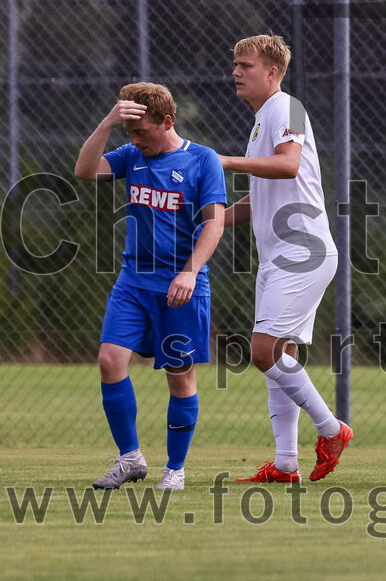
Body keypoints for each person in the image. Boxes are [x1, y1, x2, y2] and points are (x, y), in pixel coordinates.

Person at [74, 82, 227, 491]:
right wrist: (109, 122)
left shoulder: (203, 160)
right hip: (133, 281)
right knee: (110, 360)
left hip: (181, 286)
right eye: (130, 132)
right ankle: (130, 459)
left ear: (167, 122)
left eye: (141, 132)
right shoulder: (131, 155)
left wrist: (191, 271)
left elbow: (215, 222)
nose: (135, 140)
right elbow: (85, 171)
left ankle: (174, 470)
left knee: (180, 376)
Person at [220, 34, 351, 483]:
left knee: (263, 352)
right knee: (283, 354)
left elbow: (289, 164)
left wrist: (224, 161)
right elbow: (263, 196)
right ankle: (285, 464)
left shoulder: (285, 108)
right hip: (280, 255)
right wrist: (212, 218)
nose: (236, 71)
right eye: (235, 64)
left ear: (272, 72)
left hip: (303, 251)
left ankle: (332, 430)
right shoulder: (261, 121)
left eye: (246, 65)